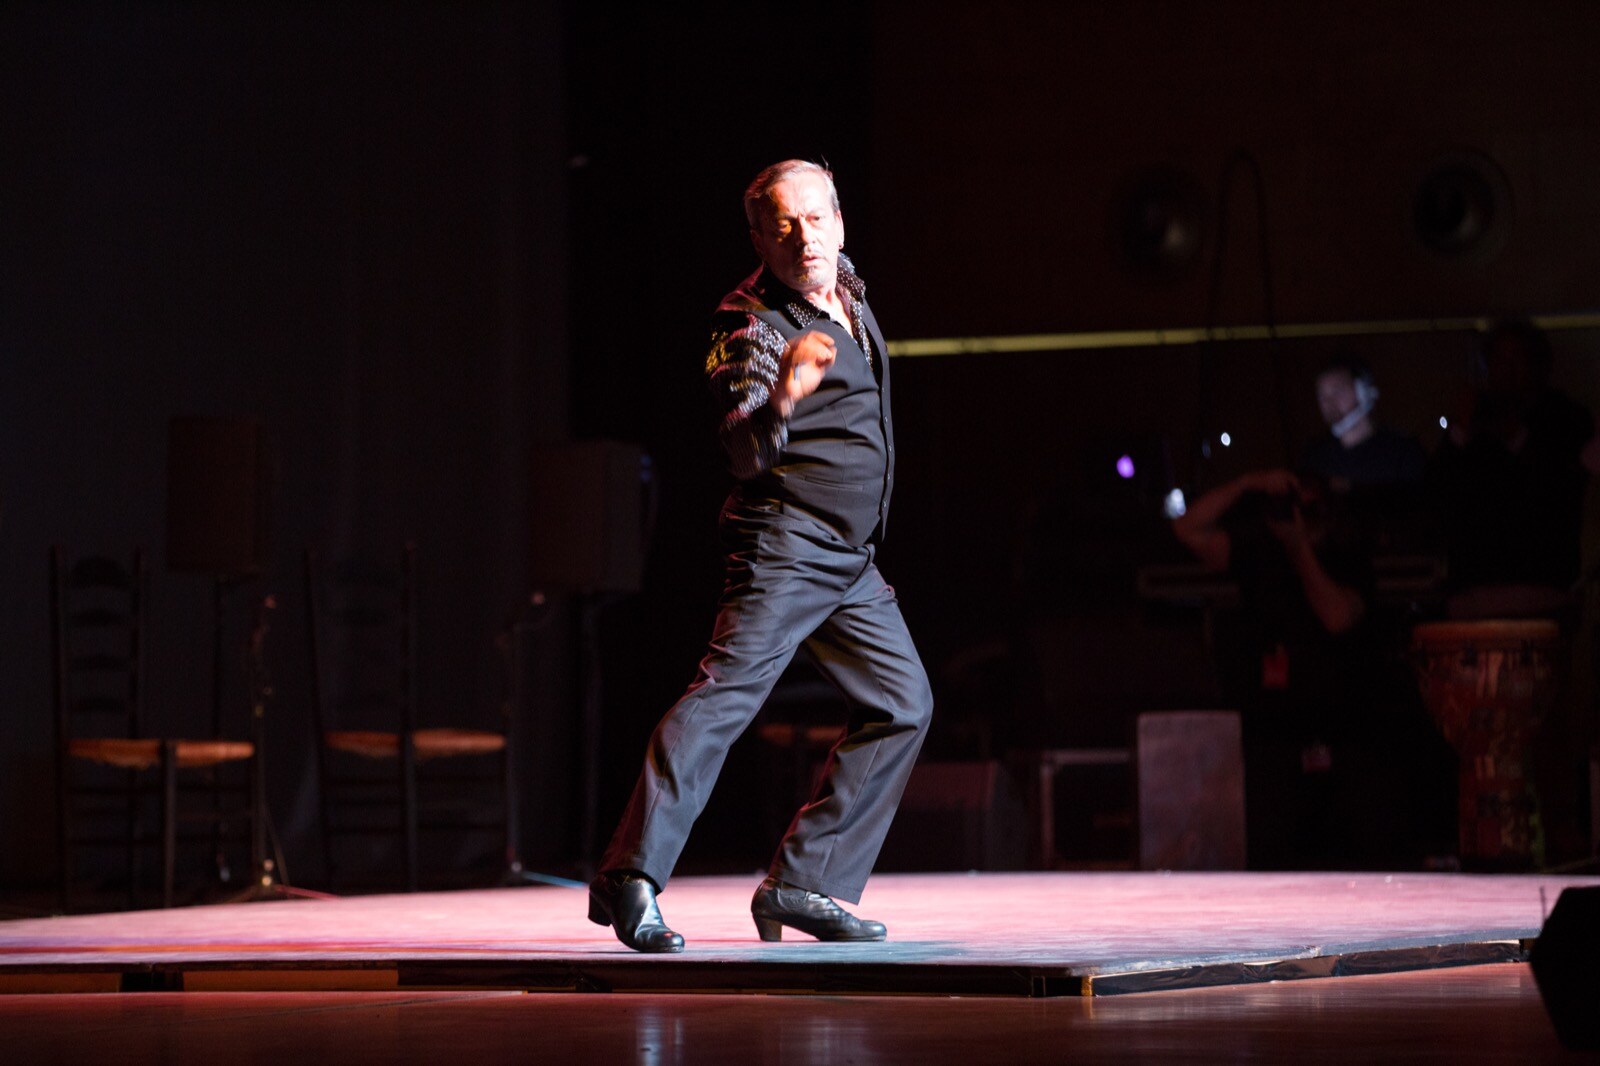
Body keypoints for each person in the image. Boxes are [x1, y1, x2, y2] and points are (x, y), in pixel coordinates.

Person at [587, 160, 933, 953]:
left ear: (839, 220)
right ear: (759, 238)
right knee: (726, 697)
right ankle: (629, 877)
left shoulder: (848, 287)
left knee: (902, 704)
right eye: (784, 225)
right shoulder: (747, 327)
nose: (804, 238)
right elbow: (742, 448)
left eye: (815, 219)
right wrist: (782, 395)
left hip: (849, 559)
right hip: (785, 544)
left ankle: (806, 884)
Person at [1300, 356, 1425, 494]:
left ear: (1363, 391)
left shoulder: (1403, 451)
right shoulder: (1315, 455)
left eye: (1337, 392)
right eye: (1322, 396)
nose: (1328, 403)